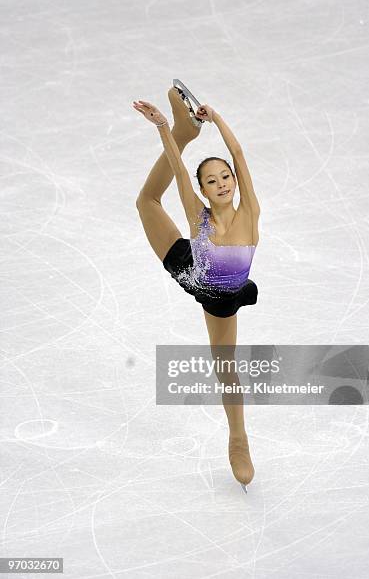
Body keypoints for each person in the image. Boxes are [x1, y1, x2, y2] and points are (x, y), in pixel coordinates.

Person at [133, 84, 261, 491]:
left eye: (225, 177)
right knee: (147, 201)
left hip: (220, 299)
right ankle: (185, 132)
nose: (222, 183)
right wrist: (164, 131)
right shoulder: (198, 218)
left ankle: (238, 438)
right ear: (202, 191)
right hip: (190, 267)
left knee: (226, 368)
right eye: (212, 180)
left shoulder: (250, 212)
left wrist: (216, 117)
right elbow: (177, 170)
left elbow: (239, 156)